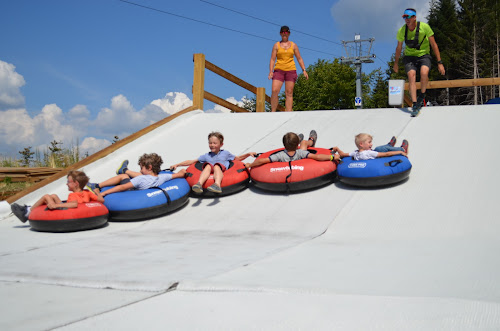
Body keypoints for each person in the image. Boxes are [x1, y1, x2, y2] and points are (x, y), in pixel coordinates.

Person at [393, 8, 445, 115]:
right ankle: (415, 103)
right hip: (409, 56)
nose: (406, 19)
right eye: (404, 17)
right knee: (411, 75)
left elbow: (434, 45)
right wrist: (396, 63)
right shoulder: (402, 30)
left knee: (424, 73)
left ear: (414, 18)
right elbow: (398, 48)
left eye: (408, 17)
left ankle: (422, 94)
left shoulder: (424, 27)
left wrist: (439, 63)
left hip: (424, 55)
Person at [170, 132, 256, 194]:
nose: (212, 145)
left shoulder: (225, 153)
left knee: (216, 166)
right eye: (210, 143)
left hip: (221, 168)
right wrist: (177, 164)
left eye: (215, 143)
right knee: (207, 166)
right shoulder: (207, 155)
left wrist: (248, 154)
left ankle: (217, 185)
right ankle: (199, 184)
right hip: (210, 170)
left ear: (221, 144)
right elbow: (192, 161)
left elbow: (238, 158)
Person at [10, 170, 104, 223]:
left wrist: (55, 206)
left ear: (76, 183)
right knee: (54, 195)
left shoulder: (73, 195)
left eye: (68, 182)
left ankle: (27, 213)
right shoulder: (87, 192)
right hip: (73, 208)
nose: (66, 184)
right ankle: (29, 209)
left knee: (46, 196)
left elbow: (74, 204)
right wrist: (97, 192)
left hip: (68, 211)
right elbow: (101, 200)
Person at [88, 153, 186, 197]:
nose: (140, 170)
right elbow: (178, 175)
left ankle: (96, 185)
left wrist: (104, 193)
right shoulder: (162, 177)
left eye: (141, 168)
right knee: (140, 175)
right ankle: (125, 169)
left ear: (149, 167)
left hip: (132, 191)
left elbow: (123, 187)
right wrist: (183, 171)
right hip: (149, 182)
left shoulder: (140, 179)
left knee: (123, 177)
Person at [245, 130, 340, 169]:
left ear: (284, 145)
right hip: (299, 154)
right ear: (296, 146)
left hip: (291, 151)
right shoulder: (301, 153)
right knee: (304, 143)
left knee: (302, 143)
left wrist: (250, 164)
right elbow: (317, 157)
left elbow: (262, 160)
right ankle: (311, 140)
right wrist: (332, 157)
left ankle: (299, 139)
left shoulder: (279, 155)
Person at [269, 25, 309, 112]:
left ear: (289, 33)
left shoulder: (293, 45)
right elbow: (272, 59)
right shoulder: (276, 45)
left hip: (290, 70)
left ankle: (288, 112)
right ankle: (272, 112)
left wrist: (304, 70)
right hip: (279, 70)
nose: (284, 34)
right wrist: (271, 71)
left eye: (286, 32)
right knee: (275, 90)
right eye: (282, 32)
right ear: (280, 33)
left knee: (289, 92)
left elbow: (299, 58)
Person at [332, 133, 408, 161]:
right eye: (369, 142)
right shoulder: (369, 153)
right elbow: (387, 154)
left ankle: (389, 145)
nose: (371, 144)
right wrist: (400, 152)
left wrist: (338, 150)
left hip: (372, 153)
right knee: (381, 149)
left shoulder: (355, 153)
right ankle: (402, 148)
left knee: (379, 148)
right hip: (379, 157)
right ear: (361, 144)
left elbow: (343, 154)